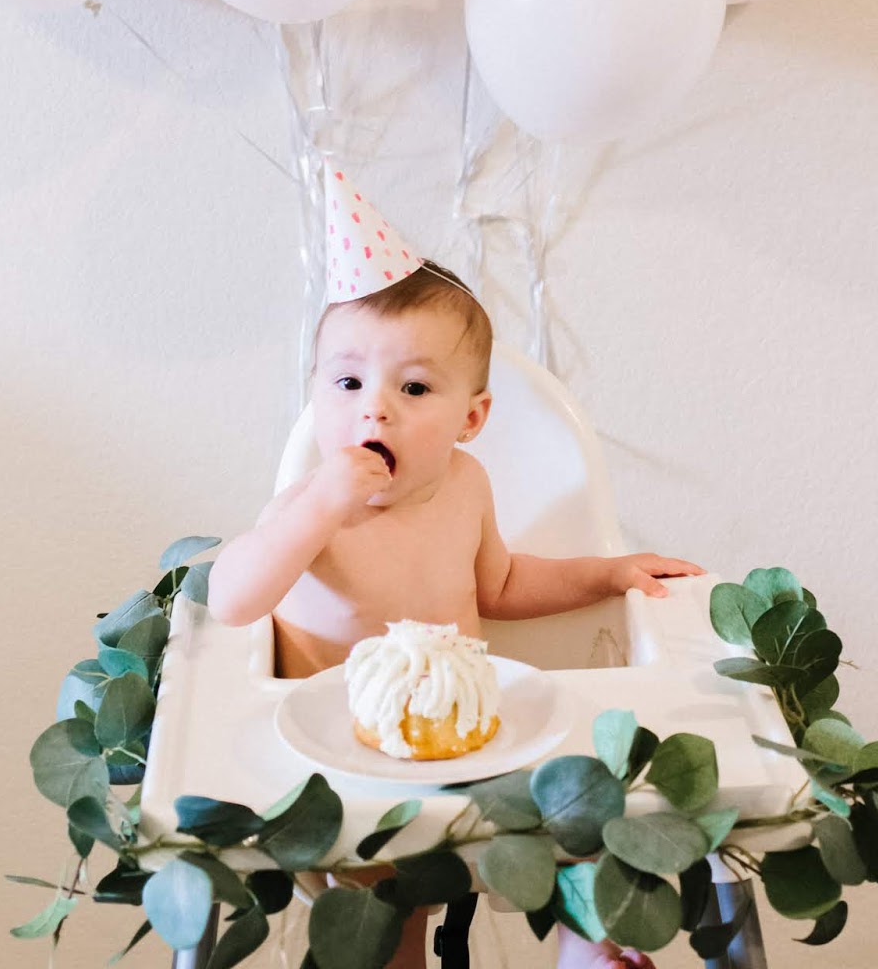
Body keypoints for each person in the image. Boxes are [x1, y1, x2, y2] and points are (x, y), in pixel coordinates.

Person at [209, 170, 703, 968]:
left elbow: (501, 587)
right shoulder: (309, 510)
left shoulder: (466, 487)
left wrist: (607, 573)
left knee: (572, 813)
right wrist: (318, 507)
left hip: (468, 737)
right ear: (316, 397)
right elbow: (233, 601)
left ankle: (587, 945)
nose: (374, 407)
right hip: (347, 763)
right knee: (388, 900)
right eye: (347, 382)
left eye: (413, 386)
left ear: (471, 418)